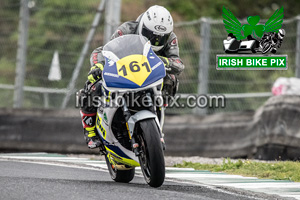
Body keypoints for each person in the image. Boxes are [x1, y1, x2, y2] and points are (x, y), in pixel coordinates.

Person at [79, 5, 185, 149]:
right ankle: (89, 129)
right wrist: (99, 66)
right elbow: (105, 51)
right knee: (93, 84)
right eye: (151, 35)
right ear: (143, 26)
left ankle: (159, 107)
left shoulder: (171, 38)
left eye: (161, 38)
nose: (156, 41)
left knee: (171, 78)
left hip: (151, 73)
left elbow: (178, 64)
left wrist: (162, 61)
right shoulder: (126, 29)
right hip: (125, 69)